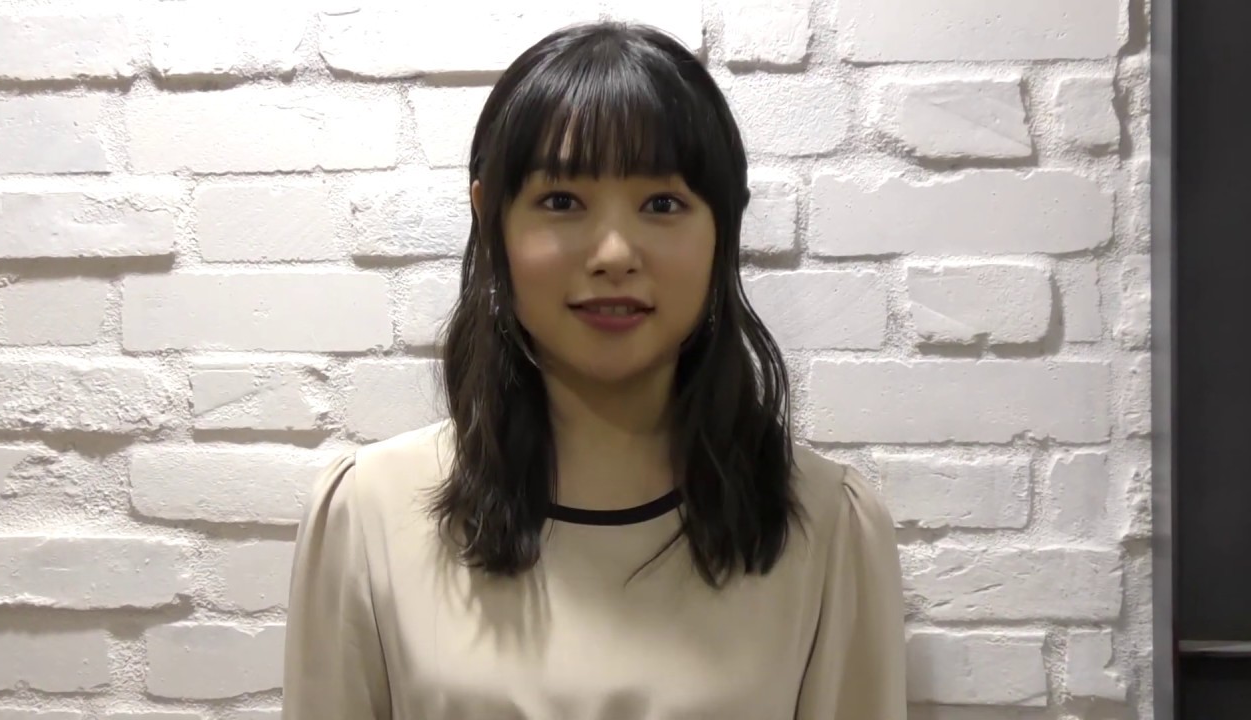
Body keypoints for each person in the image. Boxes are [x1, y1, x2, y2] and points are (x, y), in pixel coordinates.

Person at [282, 20, 906, 720]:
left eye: (662, 204)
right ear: (491, 219)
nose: (613, 254)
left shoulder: (827, 528)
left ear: (723, 228)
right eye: (561, 201)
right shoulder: (367, 514)